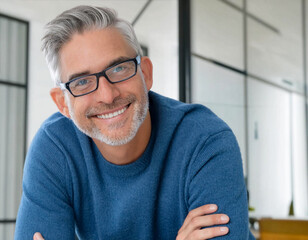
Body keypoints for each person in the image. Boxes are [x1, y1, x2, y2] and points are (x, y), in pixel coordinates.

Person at [15, 5, 255, 240]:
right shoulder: (54, 149)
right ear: (62, 104)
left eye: (119, 68)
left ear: (146, 74)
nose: (107, 96)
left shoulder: (206, 139)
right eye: (82, 82)